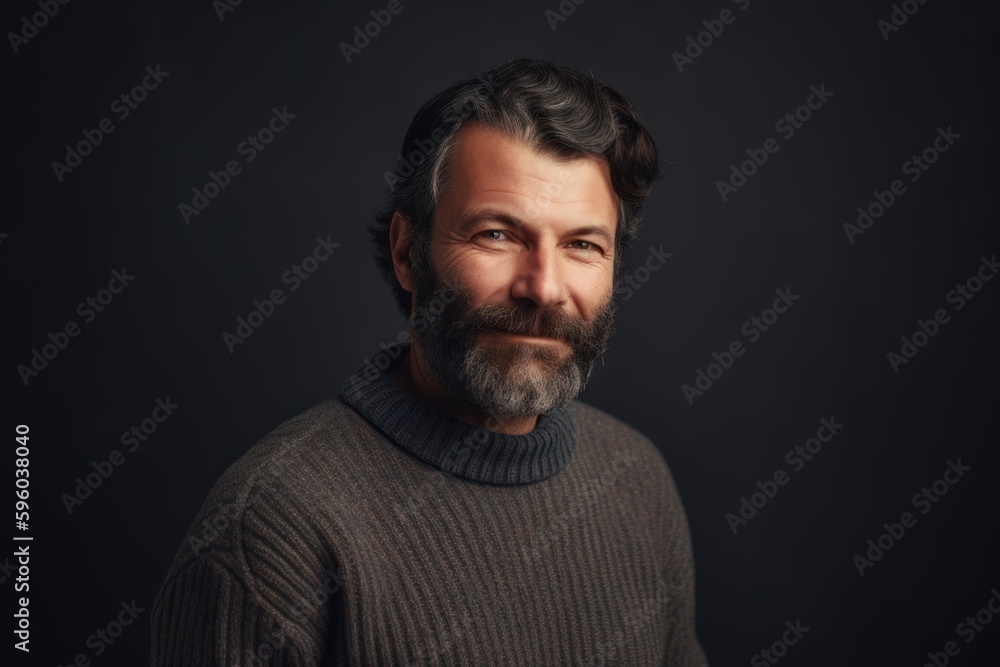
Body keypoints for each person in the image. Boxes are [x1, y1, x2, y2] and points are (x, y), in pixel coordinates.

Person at [151, 57, 709, 666]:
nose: (543, 287)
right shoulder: (271, 531)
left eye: (582, 245)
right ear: (407, 253)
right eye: (497, 234)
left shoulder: (637, 478)